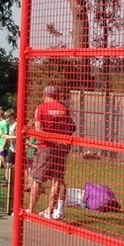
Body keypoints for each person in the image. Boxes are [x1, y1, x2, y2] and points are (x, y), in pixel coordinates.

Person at [27, 85, 76, 220]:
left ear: (44, 95)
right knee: (57, 179)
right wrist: (62, 140)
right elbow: (72, 127)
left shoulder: (41, 108)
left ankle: (31, 209)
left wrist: (51, 140)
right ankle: (50, 210)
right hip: (61, 149)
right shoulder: (64, 109)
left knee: (37, 179)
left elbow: (39, 130)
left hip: (45, 147)